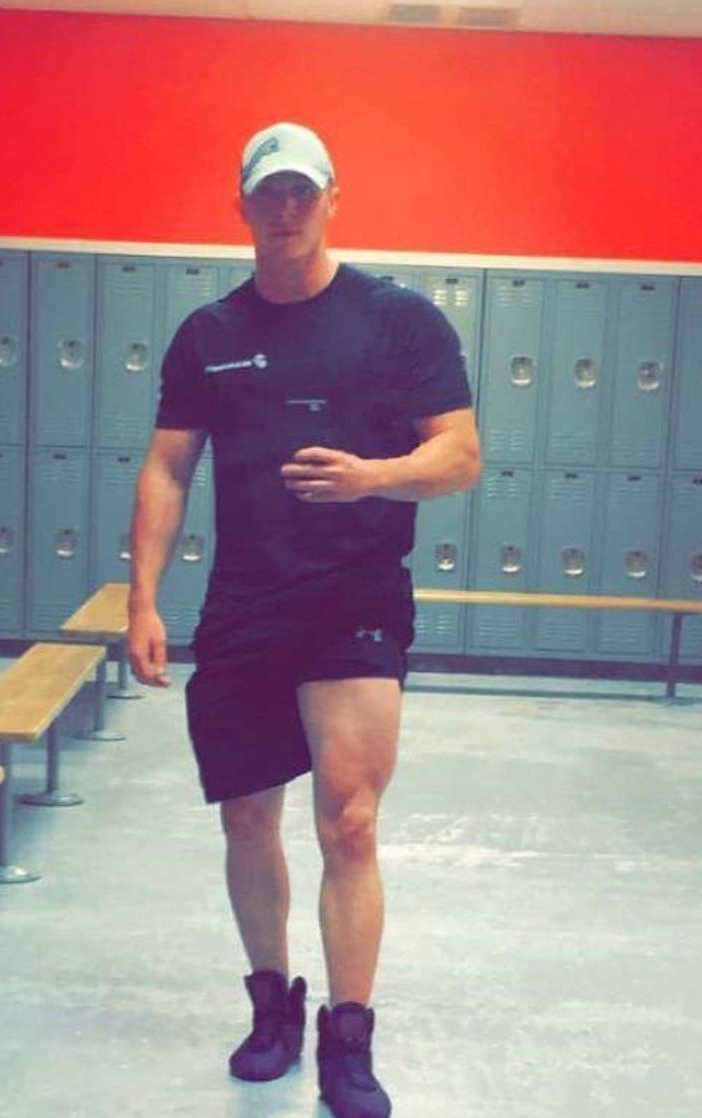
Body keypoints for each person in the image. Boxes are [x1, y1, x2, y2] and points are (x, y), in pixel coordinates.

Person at [127, 120, 480, 1118]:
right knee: (247, 814)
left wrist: (375, 476)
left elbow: (460, 454)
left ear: (331, 199)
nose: (286, 209)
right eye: (268, 193)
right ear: (241, 205)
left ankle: (349, 1037)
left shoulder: (399, 322)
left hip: (354, 594)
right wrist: (143, 596)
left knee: (349, 818)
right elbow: (167, 466)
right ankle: (271, 1005)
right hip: (246, 598)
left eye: (302, 191)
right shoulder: (209, 336)